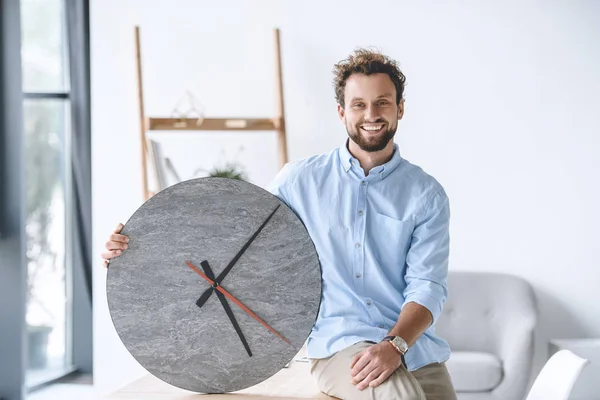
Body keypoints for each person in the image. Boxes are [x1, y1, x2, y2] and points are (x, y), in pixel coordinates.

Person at [102, 48, 457, 400]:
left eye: (382, 103)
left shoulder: (426, 194)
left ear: (400, 108)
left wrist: (395, 345)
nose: (371, 114)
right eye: (359, 104)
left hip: (415, 349)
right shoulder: (300, 181)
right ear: (341, 112)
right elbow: (235, 242)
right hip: (342, 346)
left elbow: (427, 287)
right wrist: (136, 251)